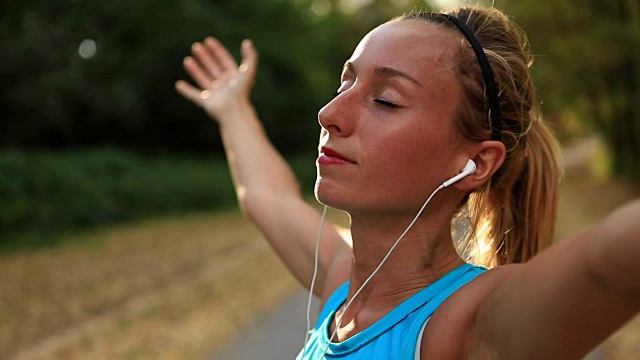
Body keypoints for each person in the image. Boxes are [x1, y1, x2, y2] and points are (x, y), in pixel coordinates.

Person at [175, 6, 640, 359]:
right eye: (345, 85)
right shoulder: (342, 284)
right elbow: (266, 195)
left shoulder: (470, 322)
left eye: (386, 101)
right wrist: (233, 109)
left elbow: (611, 264)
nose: (329, 114)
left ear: (476, 163)